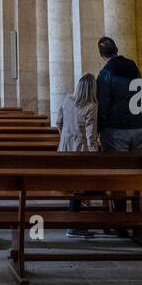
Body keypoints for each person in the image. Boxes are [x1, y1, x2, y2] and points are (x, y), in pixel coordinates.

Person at [56, 73, 99, 239]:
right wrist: (95, 154)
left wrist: (65, 136)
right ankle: (74, 225)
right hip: (80, 149)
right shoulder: (90, 106)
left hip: (65, 146)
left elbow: (59, 122)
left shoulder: (67, 100)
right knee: (79, 186)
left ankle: (75, 221)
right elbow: (90, 135)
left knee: (74, 185)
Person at [95, 37, 142, 152]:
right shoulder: (133, 67)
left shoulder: (105, 74)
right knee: (141, 168)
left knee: (118, 168)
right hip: (139, 125)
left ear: (101, 55)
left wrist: (100, 127)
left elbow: (103, 103)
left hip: (116, 129)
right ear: (116, 49)